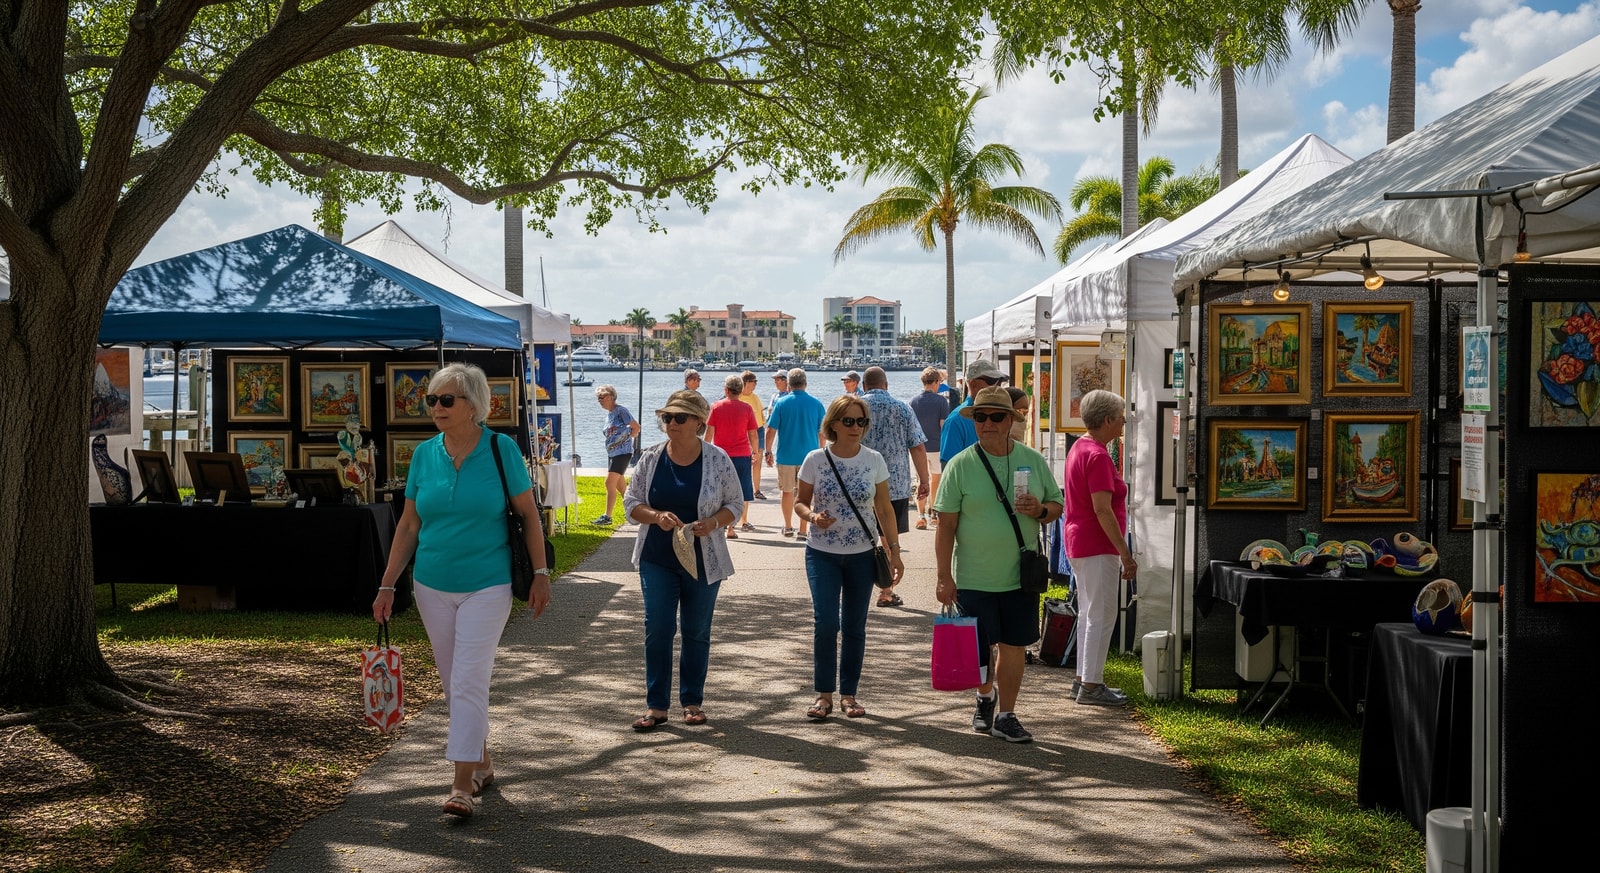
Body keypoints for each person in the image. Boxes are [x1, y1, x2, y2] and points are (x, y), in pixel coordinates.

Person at [373, 362, 552, 818]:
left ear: (473, 404)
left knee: (469, 678)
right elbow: (410, 523)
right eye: (431, 399)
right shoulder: (424, 454)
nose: (436, 407)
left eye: (446, 399)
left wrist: (541, 572)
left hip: (487, 584)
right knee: (454, 684)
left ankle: (461, 785)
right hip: (432, 584)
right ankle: (483, 762)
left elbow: (529, 516)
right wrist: (388, 583)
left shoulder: (501, 449)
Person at [932, 386, 1062, 743]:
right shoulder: (960, 465)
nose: (987, 423)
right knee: (981, 648)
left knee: (1015, 645)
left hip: (1020, 575)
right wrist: (944, 576)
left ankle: (1007, 714)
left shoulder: (1032, 460)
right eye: (981, 417)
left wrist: (1040, 510)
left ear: (1010, 421)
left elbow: (1056, 505)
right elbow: (945, 526)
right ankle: (985, 696)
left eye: (996, 417)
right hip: (974, 575)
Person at [623, 390, 745, 730]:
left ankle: (692, 701)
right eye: (667, 418)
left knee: (696, 631)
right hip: (657, 557)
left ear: (698, 423)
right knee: (658, 628)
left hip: (704, 560)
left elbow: (735, 503)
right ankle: (656, 706)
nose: (671, 423)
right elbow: (631, 502)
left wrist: (713, 523)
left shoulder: (718, 459)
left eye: (679, 418)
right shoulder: (650, 458)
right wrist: (655, 515)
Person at [795, 395, 903, 720]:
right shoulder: (815, 459)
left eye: (861, 422)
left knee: (854, 626)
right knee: (826, 623)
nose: (856, 428)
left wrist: (894, 551)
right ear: (834, 424)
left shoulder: (874, 460)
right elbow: (800, 503)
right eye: (849, 421)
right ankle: (824, 695)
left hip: (862, 556)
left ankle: (849, 695)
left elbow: (884, 508)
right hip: (821, 554)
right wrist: (813, 517)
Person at [1061, 389, 1135, 706]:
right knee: (1102, 614)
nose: (1122, 424)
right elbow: (1102, 509)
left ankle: (1083, 678)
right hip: (1097, 542)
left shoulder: (1081, 446)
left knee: (1091, 612)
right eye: (1120, 418)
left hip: (1080, 540)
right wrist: (1125, 552)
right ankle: (1092, 683)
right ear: (1106, 419)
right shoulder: (1099, 455)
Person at [858, 366, 927, 607]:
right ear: (886, 385)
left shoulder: (855, 408)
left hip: (859, 483)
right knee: (889, 540)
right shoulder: (902, 408)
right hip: (894, 485)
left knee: (861, 540)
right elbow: (917, 446)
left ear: (864, 386)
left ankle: (858, 589)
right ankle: (886, 591)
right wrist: (924, 480)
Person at [765, 368, 826, 538]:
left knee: (787, 492)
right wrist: (822, 452)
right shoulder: (816, 404)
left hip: (786, 456)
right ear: (805, 384)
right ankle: (803, 529)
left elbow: (771, 430)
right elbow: (822, 432)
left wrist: (768, 451)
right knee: (805, 494)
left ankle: (788, 526)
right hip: (810, 457)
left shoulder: (781, 403)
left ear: (789, 385)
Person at [706, 374, 759, 535]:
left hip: (720, 455)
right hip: (742, 455)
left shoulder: (716, 407)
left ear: (726, 390)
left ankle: (721, 523)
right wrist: (755, 452)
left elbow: (709, 433)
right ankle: (733, 526)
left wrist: (705, 451)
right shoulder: (747, 408)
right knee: (741, 491)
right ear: (741, 390)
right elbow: (753, 435)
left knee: (720, 490)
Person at [940, 359, 1007, 465]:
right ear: (973, 384)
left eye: (999, 381)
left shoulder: (1003, 416)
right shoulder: (956, 421)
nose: (997, 385)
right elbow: (949, 469)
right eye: (991, 381)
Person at [909, 367, 949, 531]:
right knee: (936, 481)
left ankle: (921, 516)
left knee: (921, 480)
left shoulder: (913, 401)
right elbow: (943, 425)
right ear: (935, 382)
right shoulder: (941, 402)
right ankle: (933, 513)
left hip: (919, 447)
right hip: (937, 445)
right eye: (939, 382)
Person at [594, 384, 640, 526]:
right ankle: (635, 511)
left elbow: (636, 427)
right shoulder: (610, 415)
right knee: (621, 488)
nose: (600, 401)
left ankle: (607, 517)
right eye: (598, 398)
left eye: (602, 397)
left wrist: (627, 439)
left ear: (610, 397)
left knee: (609, 483)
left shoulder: (621, 411)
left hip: (622, 453)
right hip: (613, 453)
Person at [738, 371, 769, 500]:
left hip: (759, 430)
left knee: (758, 460)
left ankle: (757, 489)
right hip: (745, 431)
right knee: (745, 461)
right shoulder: (738, 397)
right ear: (746, 382)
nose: (755, 384)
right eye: (754, 382)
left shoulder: (755, 397)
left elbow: (761, 415)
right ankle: (743, 489)